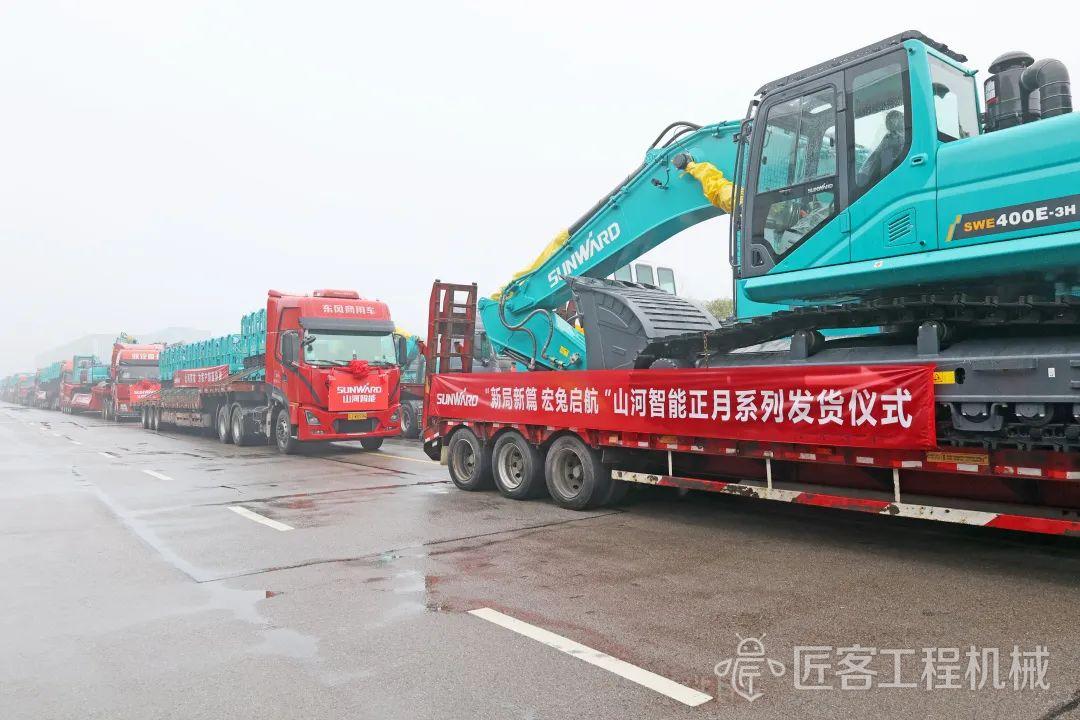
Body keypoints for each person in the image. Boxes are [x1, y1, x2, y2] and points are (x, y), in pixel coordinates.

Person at [857, 109, 906, 188]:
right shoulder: (890, 142)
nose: (905, 121)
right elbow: (885, 173)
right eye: (902, 118)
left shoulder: (894, 140)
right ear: (896, 123)